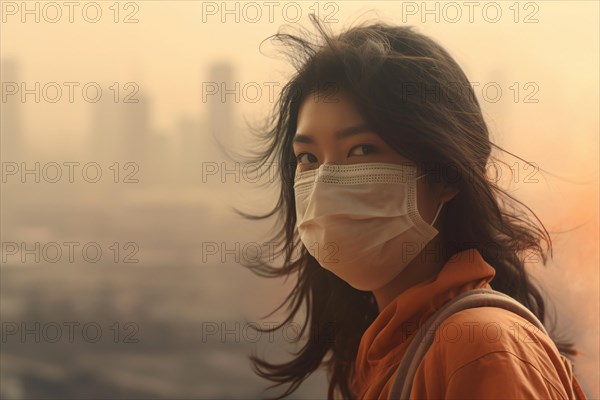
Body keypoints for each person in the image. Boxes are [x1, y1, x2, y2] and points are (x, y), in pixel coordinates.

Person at [236, 14, 588, 400]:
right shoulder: (387, 353)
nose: (324, 184)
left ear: (445, 175)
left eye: (361, 150)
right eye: (307, 158)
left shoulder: (481, 348)